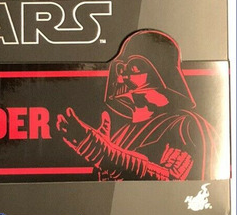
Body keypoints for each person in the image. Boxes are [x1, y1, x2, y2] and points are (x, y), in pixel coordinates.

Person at [56, 30, 219, 181]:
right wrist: (100, 149)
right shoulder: (120, 135)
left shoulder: (185, 125)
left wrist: (97, 148)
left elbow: (170, 183)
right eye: (121, 69)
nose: (123, 77)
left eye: (134, 68)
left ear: (160, 73)